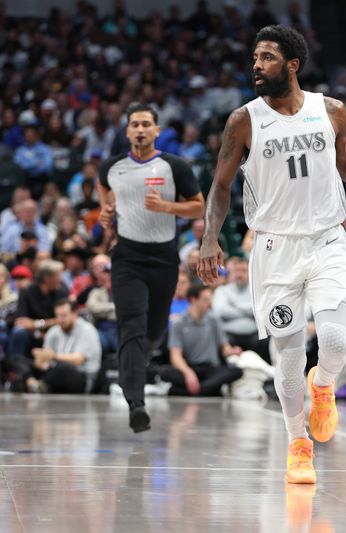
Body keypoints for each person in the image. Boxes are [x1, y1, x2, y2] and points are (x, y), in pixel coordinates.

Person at [197, 25, 346, 484]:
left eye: (267, 57)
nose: (257, 64)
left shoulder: (331, 110)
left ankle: (325, 385)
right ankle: (298, 444)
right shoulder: (243, 120)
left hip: (327, 240)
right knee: (288, 357)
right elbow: (220, 186)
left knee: (334, 342)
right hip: (274, 249)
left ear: (292, 65)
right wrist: (210, 237)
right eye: (255, 57)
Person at [97, 102, 204, 433]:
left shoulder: (175, 166)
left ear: (157, 130)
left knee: (153, 331)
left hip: (163, 259)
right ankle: (136, 403)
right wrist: (106, 216)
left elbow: (199, 206)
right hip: (127, 257)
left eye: (146, 124)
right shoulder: (110, 168)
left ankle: (145, 357)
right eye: (134, 124)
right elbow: (106, 202)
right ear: (127, 131)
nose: (140, 130)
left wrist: (167, 206)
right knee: (130, 326)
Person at [160, 285, 244, 396]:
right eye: (205, 299)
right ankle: (209, 390)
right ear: (193, 300)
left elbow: (224, 348)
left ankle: (192, 390)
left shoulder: (214, 320)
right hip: (189, 367)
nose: (209, 303)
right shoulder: (178, 323)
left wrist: (232, 351)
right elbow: (175, 356)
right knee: (164, 372)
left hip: (211, 368)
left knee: (236, 371)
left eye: (210, 299)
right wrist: (188, 373)